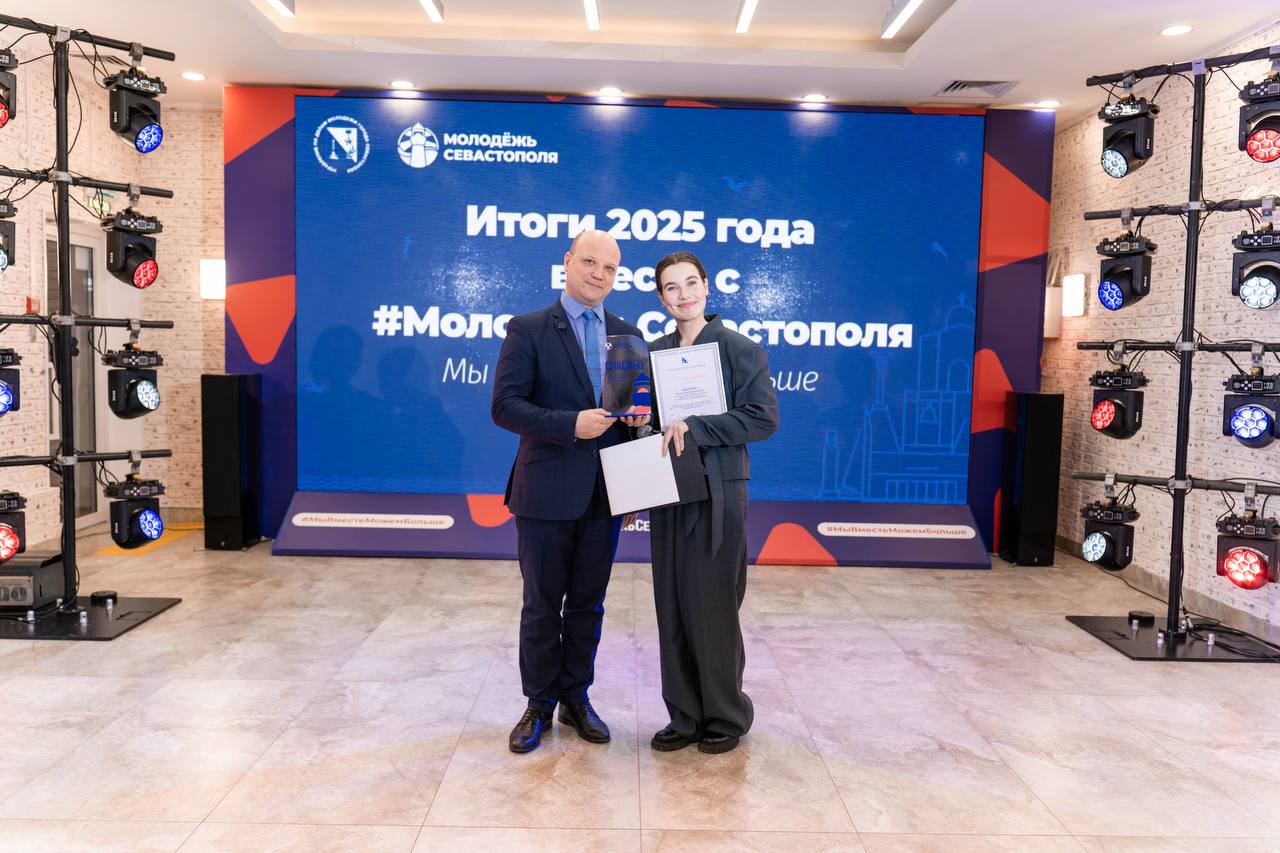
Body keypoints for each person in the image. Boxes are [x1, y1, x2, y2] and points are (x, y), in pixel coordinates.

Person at [491, 229, 648, 754]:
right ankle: (537, 703)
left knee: (588, 604)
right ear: (567, 261)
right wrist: (568, 424)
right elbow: (505, 406)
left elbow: (633, 414)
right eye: (589, 262)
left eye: (609, 267)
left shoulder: (628, 335)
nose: (598, 274)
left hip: (605, 495)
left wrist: (641, 422)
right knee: (541, 605)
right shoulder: (529, 328)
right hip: (545, 492)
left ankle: (576, 698)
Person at [647, 251, 779, 755]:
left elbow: (762, 418)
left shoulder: (739, 349)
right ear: (661, 298)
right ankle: (683, 715)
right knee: (672, 603)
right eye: (671, 287)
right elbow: (648, 419)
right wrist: (639, 423)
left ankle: (725, 714)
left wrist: (697, 427)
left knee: (715, 604)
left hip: (720, 491)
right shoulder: (654, 353)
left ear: (707, 286)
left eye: (690, 283)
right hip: (668, 490)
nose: (683, 295)